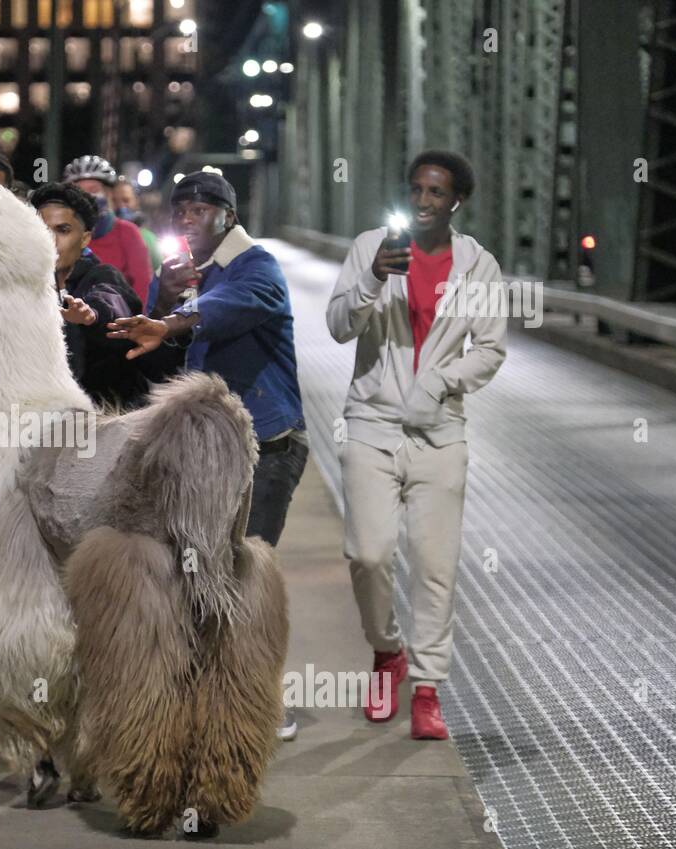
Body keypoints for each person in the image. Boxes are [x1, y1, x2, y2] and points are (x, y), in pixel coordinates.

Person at [106, 169, 307, 740]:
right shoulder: (183, 281)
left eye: (201, 208)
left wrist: (174, 314)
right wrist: (162, 300)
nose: (187, 217)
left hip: (268, 448)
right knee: (199, 578)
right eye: (180, 210)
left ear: (229, 216)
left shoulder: (256, 265)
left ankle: (260, 703)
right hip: (206, 459)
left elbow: (226, 309)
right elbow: (154, 360)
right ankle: (206, 696)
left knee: (247, 577)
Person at [326, 150, 506, 740]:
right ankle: (386, 653)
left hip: (440, 435)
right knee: (369, 555)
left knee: (434, 566)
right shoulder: (371, 247)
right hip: (372, 427)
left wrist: (442, 382)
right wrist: (376, 276)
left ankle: (426, 688)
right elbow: (338, 326)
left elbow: (489, 349)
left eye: (437, 194)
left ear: (456, 202)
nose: (424, 202)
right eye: (416, 191)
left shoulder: (478, 266)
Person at [30, 181, 167, 407]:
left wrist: (91, 314)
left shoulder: (102, 275)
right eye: (42, 230)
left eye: (62, 230)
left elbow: (112, 302)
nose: (50, 240)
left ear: (84, 239)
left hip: (107, 423)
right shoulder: (23, 287)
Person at [63, 154, 153, 305]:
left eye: (93, 189)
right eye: (79, 190)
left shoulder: (127, 233)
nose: (86, 195)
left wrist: (134, 325)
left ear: (109, 193)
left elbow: (143, 288)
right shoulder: (63, 234)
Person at [111, 175, 162, 272]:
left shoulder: (147, 239)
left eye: (126, 200)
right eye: (114, 201)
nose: (121, 206)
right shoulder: (101, 237)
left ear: (136, 202)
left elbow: (159, 275)